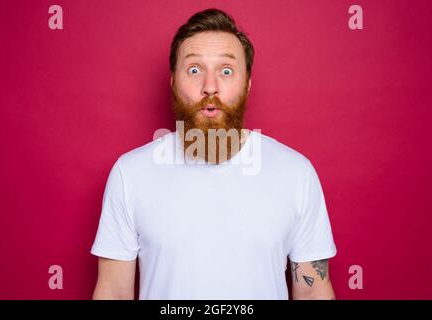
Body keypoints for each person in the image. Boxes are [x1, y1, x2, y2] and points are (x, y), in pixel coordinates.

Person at [91, 8, 337, 300]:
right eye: (194, 70)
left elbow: (312, 292)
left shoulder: (296, 174)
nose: (210, 86)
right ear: (172, 82)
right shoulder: (130, 173)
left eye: (226, 70)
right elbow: (115, 293)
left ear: (247, 83)